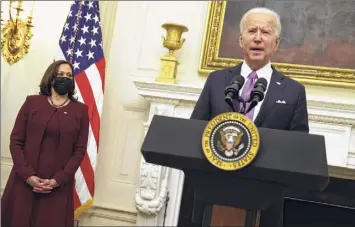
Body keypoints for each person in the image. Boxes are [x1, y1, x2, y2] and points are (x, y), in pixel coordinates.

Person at [178, 7, 309, 227]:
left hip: (264, 203)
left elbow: (298, 148)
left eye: (266, 32)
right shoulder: (217, 81)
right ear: (241, 40)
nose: (258, 38)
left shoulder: (293, 91)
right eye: (252, 31)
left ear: (275, 43)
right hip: (212, 198)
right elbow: (195, 132)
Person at [1, 60, 90, 227]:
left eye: (69, 76)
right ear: (51, 77)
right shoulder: (32, 103)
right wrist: (28, 175)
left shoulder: (80, 111)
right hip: (24, 182)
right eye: (61, 75)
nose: (66, 78)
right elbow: (16, 141)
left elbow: (79, 150)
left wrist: (58, 180)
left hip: (57, 188)